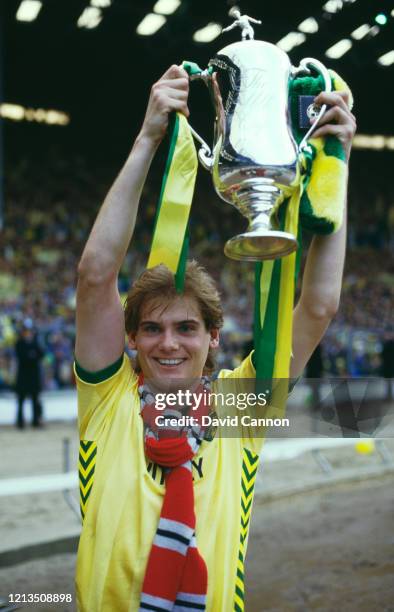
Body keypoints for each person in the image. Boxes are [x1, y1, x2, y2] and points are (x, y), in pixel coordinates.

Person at [75, 65, 356, 611]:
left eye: (186, 328)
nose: (169, 343)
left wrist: (334, 171)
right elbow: (93, 276)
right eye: (151, 328)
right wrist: (148, 136)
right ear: (130, 339)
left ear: (213, 337)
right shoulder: (108, 400)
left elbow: (318, 306)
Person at [14, 318, 44, 428]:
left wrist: (31, 354)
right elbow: (23, 357)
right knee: (21, 400)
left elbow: (41, 354)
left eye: (29, 331)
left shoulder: (35, 342)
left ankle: (36, 421)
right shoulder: (19, 343)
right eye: (26, 330)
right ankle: (20, 422)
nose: (27, 333)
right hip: (23, 376)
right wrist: (32, 355)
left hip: (33, 376)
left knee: (35, 399)